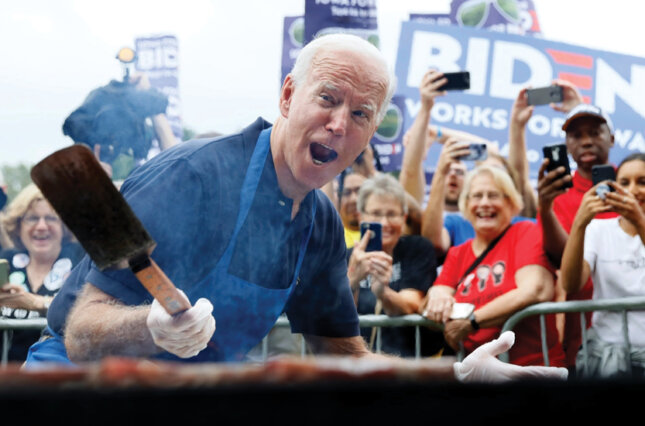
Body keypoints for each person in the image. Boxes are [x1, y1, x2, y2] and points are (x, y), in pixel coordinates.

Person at [25, 34, 566, 383]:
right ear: (288, 96)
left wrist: (452, 377)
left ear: (371, 133)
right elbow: (82, 330)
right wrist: (148, 325)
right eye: (327, 99)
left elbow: (344, 354)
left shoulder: (321, 222)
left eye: (360, 113)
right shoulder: (194, 174)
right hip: (77, 387)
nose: (339, 123)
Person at [420, 165, 566, 367]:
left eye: (493, 196)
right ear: (466, 204)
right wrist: (437, 295)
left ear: (512, 203)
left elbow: (536, 290)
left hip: (531, 371)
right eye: (477, 196)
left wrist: (472, 322)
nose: (485, 203)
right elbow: (438, 294)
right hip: (477, 375)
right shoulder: (458, 253)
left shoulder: (525, 232)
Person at [537, 102, 618, 369]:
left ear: (612, 138)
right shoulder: (558, 195)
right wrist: (546, 208)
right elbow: (560, 258)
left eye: (595, 133)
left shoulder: (633, 185)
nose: (586, 142)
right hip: (581, 334)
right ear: (567, 145)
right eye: (576, 136)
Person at [559, 153, 645, 378]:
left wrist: (640, 222)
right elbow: (570, 283)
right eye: (624, 183)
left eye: (642, 182)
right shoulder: (599, 229)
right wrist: (580, 222)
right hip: (606, 357)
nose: (633, 190)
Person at [346, 173, 443, 357]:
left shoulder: (417, 248)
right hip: (357, 366)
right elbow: (335, 314)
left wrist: (383, 293)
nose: (384, 223)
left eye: (392, 214)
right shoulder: (345, 256)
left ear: (404, 217)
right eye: (376, 214)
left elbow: (411, 305)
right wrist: (352, 280)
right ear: (361, 217)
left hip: (408, 364)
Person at [0, 184, 84, 361]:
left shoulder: (81, 261)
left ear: (64, 226)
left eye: (51, 218)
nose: (41, 226)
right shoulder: (6, 261)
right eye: (32, 218)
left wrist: (37, 302)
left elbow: (91, 309)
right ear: (18, 226)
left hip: (57, 379)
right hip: (7, 376)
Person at [338, 172, 367, 249]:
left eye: (360, 191)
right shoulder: (332, 236)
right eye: (346, 193)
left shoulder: (386, 233)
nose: (354, 199)